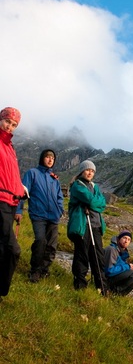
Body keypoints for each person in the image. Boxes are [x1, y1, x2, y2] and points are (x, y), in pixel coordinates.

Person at [16, 149, 64, 283]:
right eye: (47, 157)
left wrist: (60, 210)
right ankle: (35, 270)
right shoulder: (32, 173)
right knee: (40, 241)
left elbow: (60, 197)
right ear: (42, 158)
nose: (50, 160)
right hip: (38, 215)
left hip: (53, 216)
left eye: (52, 158)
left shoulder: (54, 178)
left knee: (52, 245)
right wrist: (19, 210)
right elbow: (22, 192)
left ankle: (44, 270)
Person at [67, 160, 108, 295]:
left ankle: (102, 287)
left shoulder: (94, 187)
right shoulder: (77, 186)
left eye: (92, 171)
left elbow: (102, 203)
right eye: (87, 170)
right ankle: (80, 285)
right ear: (81, 171)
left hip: (95, 225)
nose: (90, 173)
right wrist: (93, 203)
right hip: (83, 225)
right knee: (82, 255)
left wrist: (93, 203)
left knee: (98, 257)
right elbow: (90, 200)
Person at [0, 107, 27, 300]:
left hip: (10, 202)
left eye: (14, 124)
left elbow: (12, 176)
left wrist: (20, 189)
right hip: (0, 201)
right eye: (7, 121)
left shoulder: (10, 148)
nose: (10, 126)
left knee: (3, 248)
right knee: (12, 249)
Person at [104, 229, 133, 295]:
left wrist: (129, 266)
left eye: (129, 240)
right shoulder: (111, 250)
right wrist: (128, 266)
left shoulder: (123, 252)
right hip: (106, 279)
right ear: (119, 238)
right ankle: (112, 291)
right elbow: (109, 271)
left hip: (115, 277)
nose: (126, 241)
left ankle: (120, 295)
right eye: (124, 238)